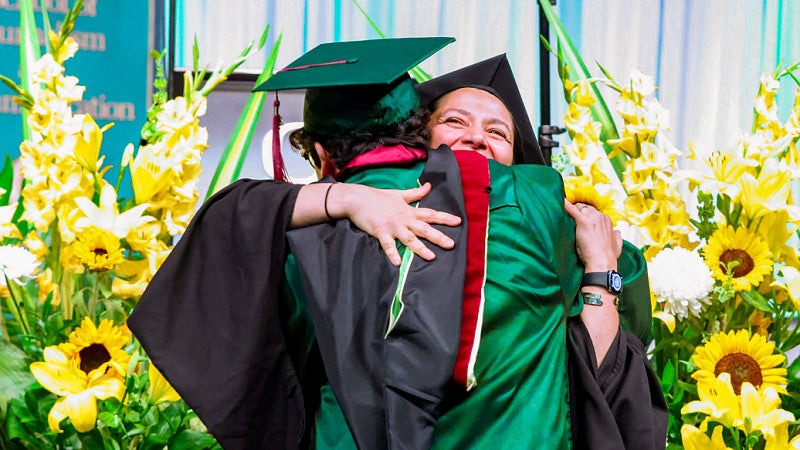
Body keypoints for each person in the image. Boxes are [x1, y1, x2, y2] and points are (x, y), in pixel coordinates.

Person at [276, 42, 664, 449]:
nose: (477, 137)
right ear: (417, 136)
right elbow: (629, 315)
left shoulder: (314, 218)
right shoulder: (537, 201)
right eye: (455, 122)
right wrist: (603, 262)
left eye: (497, 132)